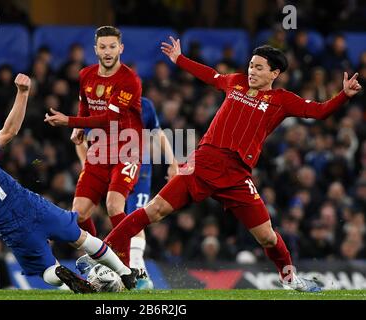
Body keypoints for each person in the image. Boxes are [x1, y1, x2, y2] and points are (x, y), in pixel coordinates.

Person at [100, 37, 362, 292]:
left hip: (236, 176)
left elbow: (320, 111)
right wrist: (179, 59)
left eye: (259, 67)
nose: (251, 71)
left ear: (275, 73)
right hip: (202, 163)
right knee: (154, 210)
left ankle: (290, 279)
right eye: (250, 65)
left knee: (267, 237)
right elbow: (210, 75)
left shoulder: (282, 100)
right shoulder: (235, 82)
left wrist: (344, 95)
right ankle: (98, 254)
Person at [0, 73, 143, 293]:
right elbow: (9, 132)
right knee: (82, 239)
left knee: (46, 271)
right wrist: (22, 93)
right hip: (33, 206)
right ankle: (125, 273)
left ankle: (60, 272)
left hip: (12, 229)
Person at [44, 26, 144, 263]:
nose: (107, 52)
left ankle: (126, 268)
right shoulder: (85, 75)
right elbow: (85, 103)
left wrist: (69, 121)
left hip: (127, 149)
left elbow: (110, 118)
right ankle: (102, 260)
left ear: (121, 48)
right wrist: (79, 126)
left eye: (112, 46)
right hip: (98, 151)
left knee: (113, 205)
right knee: (78, 215)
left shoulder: (129, 79)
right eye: (103, 47)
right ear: (95, 50)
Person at [75, 97, 178, 289]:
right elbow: (80, 139)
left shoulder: (144, 104)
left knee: (133, 216)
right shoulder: (94, 106)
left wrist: (172, 162)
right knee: (83, 213)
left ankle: (139, 272)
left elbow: (158, 134)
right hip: (105, 166)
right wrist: (85, 166)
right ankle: (98, 254)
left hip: (139, 167)